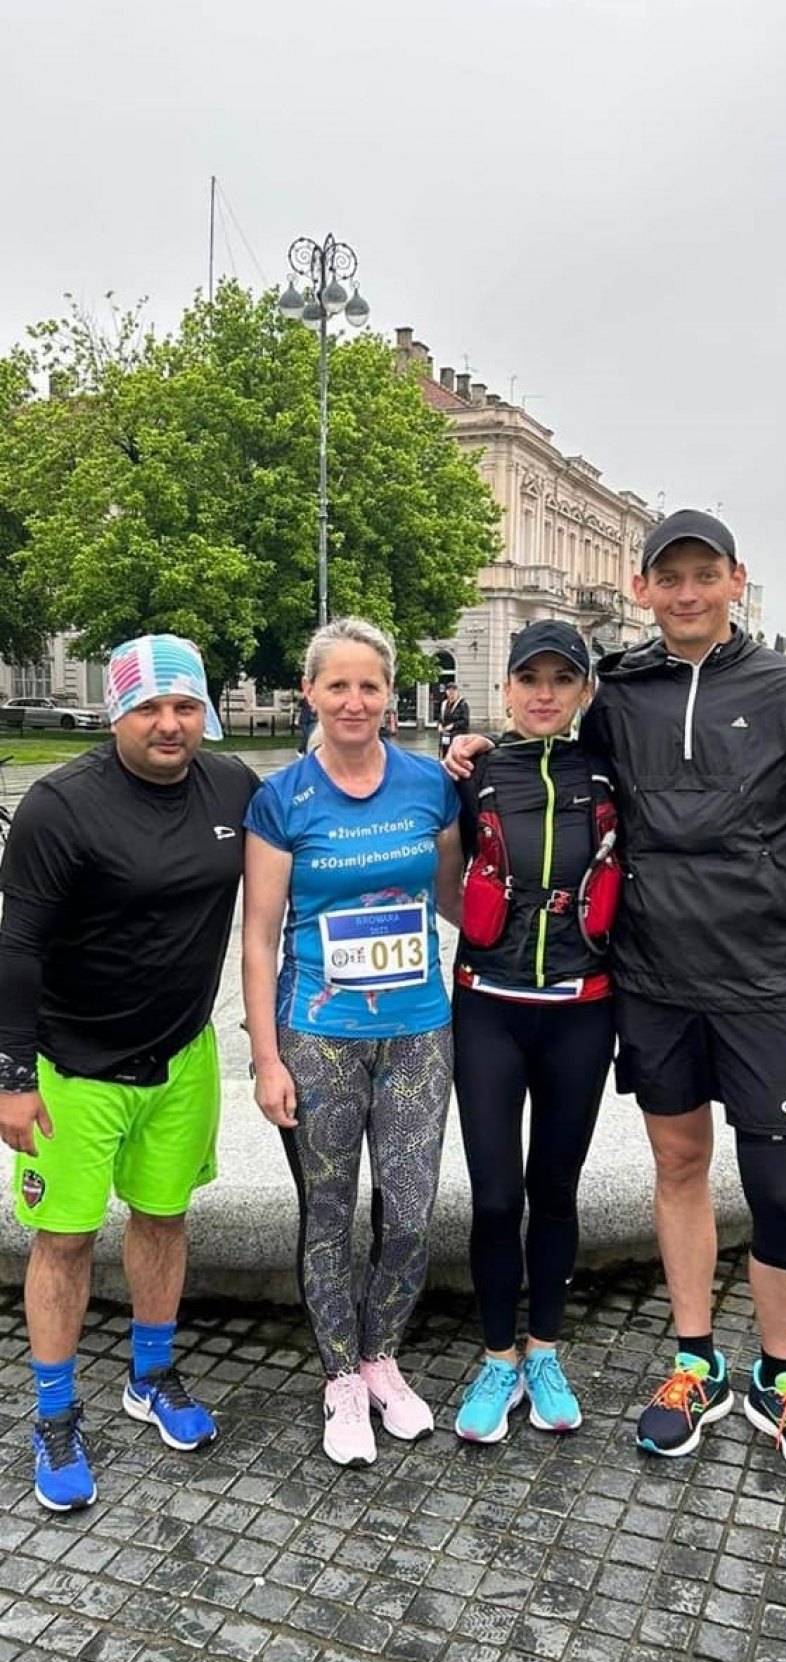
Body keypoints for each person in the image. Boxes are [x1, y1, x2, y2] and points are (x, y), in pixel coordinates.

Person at [447, 510, 786, 1480]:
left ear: (735, 580)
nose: (686, 593)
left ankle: (781, 1376)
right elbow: (547, 754)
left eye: (703, 575)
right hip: (656, 983)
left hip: (768, 982)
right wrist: (468, 753)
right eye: (668, 577)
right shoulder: (619, 694)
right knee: (679, 1165)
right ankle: (694, 1363)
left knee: (780, 1190)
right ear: (642, 590)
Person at [0, 634, 258, 1511]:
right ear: (116, 712)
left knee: (163, 1217)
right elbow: (16, 948)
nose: (169, 723)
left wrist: (460, 759)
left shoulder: (233, 785)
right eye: (148, 707)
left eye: (185, 705)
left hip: (181, 1056)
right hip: (73, 1068)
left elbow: (326, 801)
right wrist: (12, 1076)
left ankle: (150, 1375)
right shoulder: (60, 806)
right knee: (64, 1239)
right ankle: (54, 1412)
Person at [242, 616, 463, 1469]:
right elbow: (259, 937)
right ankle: (339, 1374)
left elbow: (457, 899)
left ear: (390, 693)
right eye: (337, 684)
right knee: (327, 1213)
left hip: (417, 1034)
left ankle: (381, 1356)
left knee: (408, 1212)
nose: (354, 700)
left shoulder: (429, 785)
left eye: (369, 685)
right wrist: (267, 1058)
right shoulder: (282, 799)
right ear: (310, 692)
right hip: (319, 1036)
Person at [452, 621, 617, 1445]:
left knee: (554, 1189)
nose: (544, 693)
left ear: (585, 690)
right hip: (488, 1004)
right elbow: (432, 875)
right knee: (494, 1196)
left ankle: (544, 1350)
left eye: (562, 678)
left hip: (582, 1008)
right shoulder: (473, 773)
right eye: (530, 678)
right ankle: (496, 1358)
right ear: (507, 688)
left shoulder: (609, 771)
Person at [437, 682, 470, 759]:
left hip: (457, 737)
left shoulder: (463, 704)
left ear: (457, 692)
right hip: (445, 736)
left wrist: (453, 726)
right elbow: (440, 718)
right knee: (445, 756)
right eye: (449, 690)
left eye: (453, 690)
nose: (451, 693)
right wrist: (439, 725)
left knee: (455, 757)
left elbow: (465, 721)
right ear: (446, 692)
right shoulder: (444, 704)